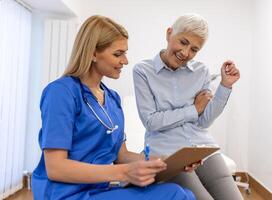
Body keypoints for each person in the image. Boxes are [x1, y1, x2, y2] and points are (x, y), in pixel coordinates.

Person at [31, 15, 196, 200]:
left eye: (125, 53)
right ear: (93, 53)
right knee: (175, 195)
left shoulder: (112, 99)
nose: (125, 61)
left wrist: (166, 162)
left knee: (185, 194)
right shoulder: (61, 93)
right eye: (118, 54)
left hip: (99, 190)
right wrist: (124, 173)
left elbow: (122, 156)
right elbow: (56, 168)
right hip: (65, 195)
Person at [133, 14, 243, 200]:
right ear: (169, 34)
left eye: (194, 49)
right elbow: (151, 121)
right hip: (169, 153)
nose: (185, 53)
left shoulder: (201, 71)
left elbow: (204, 121)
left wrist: (225, 86)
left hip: (202, 147)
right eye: (183, 42)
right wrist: (193, 109)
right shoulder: (143, 71)